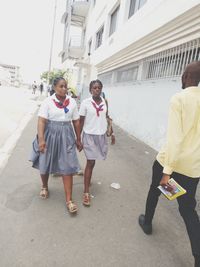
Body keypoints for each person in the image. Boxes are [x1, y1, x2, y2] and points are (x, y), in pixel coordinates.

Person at [138, 61, 200, 267]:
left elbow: (175, 139)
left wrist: (167, 172)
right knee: (188, 209)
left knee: (154, 191)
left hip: (170, 163)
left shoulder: (179, 99)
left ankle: (147, 223)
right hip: (193, 168)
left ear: (186, 77)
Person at [29, 77, 82, 214]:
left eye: (66, 86)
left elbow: (76, 121)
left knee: (68, 166)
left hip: (67, 135)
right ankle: (45, 186)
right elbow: (41, 121)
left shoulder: (72, 102)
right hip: (50, 134)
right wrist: (41, 140)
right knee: (45, 161)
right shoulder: (48, 102)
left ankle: (69, 200)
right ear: (54, 87)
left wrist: (78, 139)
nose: (64, 89)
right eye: (61, 86)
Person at [79, 79, 115, 206]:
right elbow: (81, 121)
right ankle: (86, 193)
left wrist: (112, 133)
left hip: (101, 136)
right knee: (91, 161)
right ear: (90, 90)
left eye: (99, 87)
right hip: (89, 136)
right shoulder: (85, 103)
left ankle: (87, 179)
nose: (97, 90)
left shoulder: (105, 102)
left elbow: (107, 117)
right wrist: (78, 138)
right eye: (94, 88)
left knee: (93, 162)